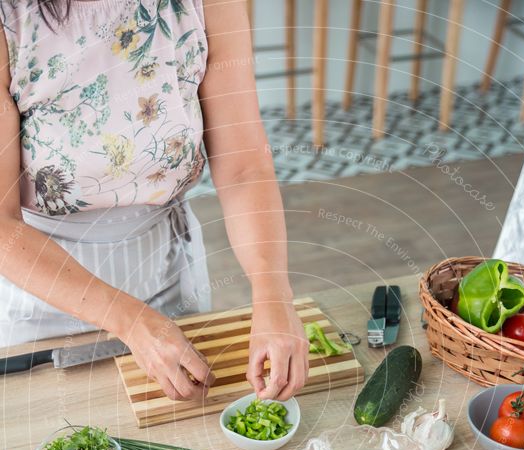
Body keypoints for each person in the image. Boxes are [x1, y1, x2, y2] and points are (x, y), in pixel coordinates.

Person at [0, 0, 309, 402]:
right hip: (43, 296)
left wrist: (273, 294)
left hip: (167, 272)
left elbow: (244, 169)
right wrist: (127, 319)